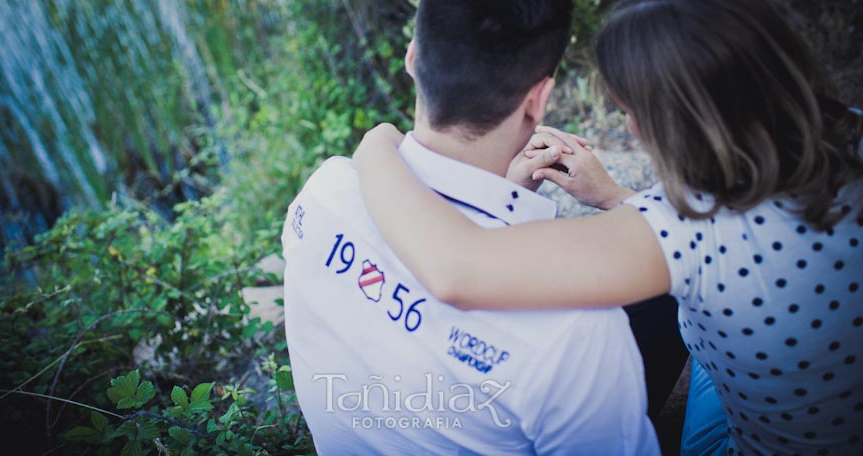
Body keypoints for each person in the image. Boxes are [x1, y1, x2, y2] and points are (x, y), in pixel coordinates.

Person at [351, 1, 863, 455]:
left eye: (629, 111)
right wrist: (617, 199)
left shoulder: (685, 230)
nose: (632, 128)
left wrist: (375, 145)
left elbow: (456, 270)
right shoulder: (849, 130)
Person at [281, 1, 663, 454]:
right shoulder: (577, 329)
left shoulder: (324, 191)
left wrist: (498, 195)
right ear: (539, 99)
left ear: (411, 56)